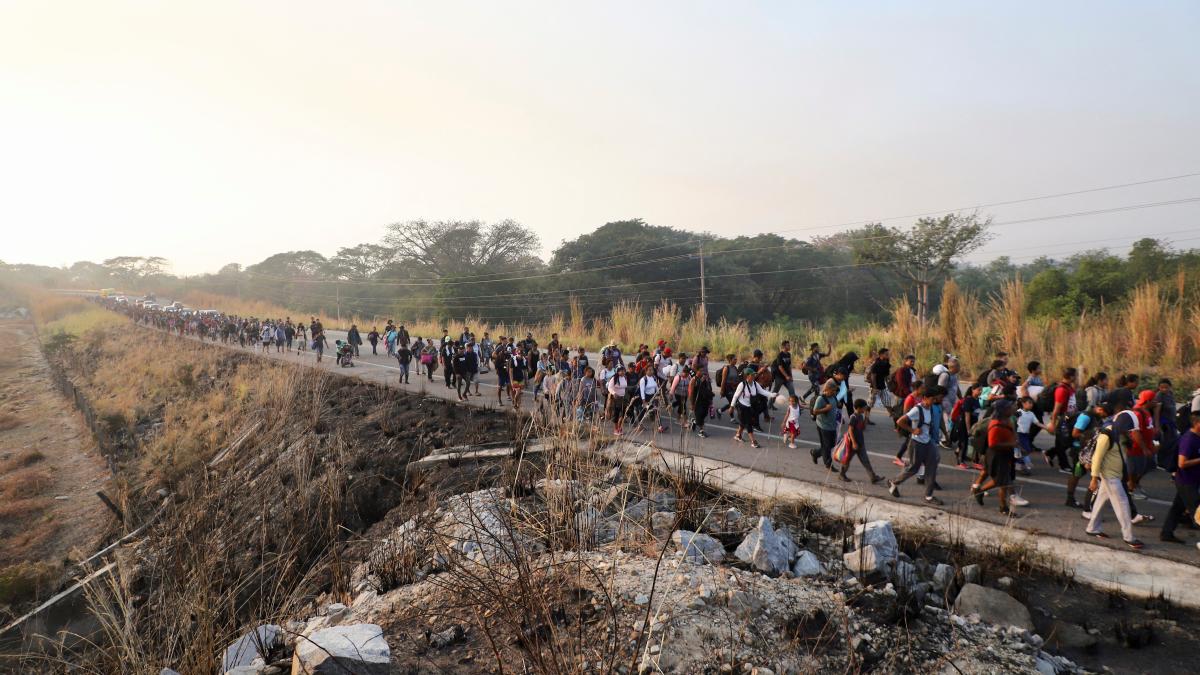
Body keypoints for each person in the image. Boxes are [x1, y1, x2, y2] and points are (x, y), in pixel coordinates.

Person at [1086, 405, 1144, 550]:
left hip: (1116, 475)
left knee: (1101, 500)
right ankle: (1129, 537)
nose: (1131, 432)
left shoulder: (1120, 434)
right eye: (1129, 429)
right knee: (1122, 504)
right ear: (1123, 424)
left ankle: (1092, 528)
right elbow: (1097, 457)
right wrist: (1094, 478)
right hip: (1109, 476)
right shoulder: (1106, 435)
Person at [887, 386, 944, 505]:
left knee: (932, 467)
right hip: (916, 443)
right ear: (925, 398)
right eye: (932, 399)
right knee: (913, 468)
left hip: (928, 442)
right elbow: (900, 421)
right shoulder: (917, 410)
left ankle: (928, 496)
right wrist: (912, 430)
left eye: (935, 399)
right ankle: (893, 482)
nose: (934, 401)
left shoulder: (931, 408)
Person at [971, 399, 1018, 516]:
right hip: (997, 455)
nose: (1013, 408)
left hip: (1005, 454)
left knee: (1003, 482)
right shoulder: (996, 424)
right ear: (1004, 410)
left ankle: (1001, 506)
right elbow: (992, 444)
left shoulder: (1007, 420)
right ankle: (1001, 507)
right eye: (1010, 407)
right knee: (1002, 482)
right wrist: (1011, 444)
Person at [1160, 411, 1200, 545]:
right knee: (1197, 511)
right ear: (1196, 423)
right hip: (1186, 481)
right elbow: (1182, 463)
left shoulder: (1197, 437)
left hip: (1192, 480)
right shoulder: (1189, 439)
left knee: (1177, 508)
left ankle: (1166, 533)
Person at [841, 399, 883, 484]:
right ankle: (842, 474)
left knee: (865, 461)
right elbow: (850, 430)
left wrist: (866, 418)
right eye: (864, 408)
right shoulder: (854, 417)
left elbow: (863, 428)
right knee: (847, 460)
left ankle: (873, 477)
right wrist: (854, 443)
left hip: (860, 443)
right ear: (859, 408)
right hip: (853, 444)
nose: (865, 409)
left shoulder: (860, 416)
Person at [731, 369, 770, 448]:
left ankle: (738, 435)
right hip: (741, 407)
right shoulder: (742, 384)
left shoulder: (755, 384)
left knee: (743, 422)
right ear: (747, 376)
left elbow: (763, 392)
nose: (754, 376)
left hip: (750, 406)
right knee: (748, 424)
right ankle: (753, 441)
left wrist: (773, 394)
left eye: (754, 374)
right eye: (752, 375)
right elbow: (735, 396)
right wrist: (731, 406)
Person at [1015, 396, 1047, 475]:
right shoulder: (1018, 412)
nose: (1031, 405)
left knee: (1026, 450)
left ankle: (1019, 465)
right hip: (1018, 434)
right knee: (1023, 450)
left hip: (1026, 435)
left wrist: (1047, 428)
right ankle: (1021, 467)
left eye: (1032, 403)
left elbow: (1038, 423)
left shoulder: (1031, 414)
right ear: (1023, 404)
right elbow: (1013, 422)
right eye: (1029, 403)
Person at [810, 380, 839, 467]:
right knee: (826, 446)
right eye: (833, 390)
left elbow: (834, 407)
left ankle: (815, 453)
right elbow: (814, 412)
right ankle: (828, 464)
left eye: (835, 391)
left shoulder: (833, 397)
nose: (834, 392)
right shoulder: (821, 399)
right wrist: (825, 409)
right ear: (827, 389)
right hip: (823, 426)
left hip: (832, 425)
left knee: (832, 444)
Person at [865, 348, 891, 426]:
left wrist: (888, 384)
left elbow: (886, 376)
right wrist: (875, 388)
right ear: (881, 355)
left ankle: (895, 418)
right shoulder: (876, 364)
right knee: (870, 404)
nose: (888, 355)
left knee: (887, 402)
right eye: (886, 354)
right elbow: (873, 376)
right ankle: (866, 419)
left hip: (882, 386)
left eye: (888, 354)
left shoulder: (886, 363)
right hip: (874, 387)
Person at [689, 368, 714, 438]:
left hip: (705, 401)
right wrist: (692, 404)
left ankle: (694, 421)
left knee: (704, 414)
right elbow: (691, 393)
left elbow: (709, 390)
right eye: (701, 371)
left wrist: (710, 400)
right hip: (697, 402)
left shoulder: (706, 380)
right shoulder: (694, 380)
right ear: (697, 371)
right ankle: (701, 431)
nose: (702, 372)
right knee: (700, 415)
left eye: (703, 371)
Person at [607, 365, 629, 436]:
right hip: (616, 398)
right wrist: (614, 393)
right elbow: (609, 388)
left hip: (624, 398)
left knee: (623, 414)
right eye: (621, 371)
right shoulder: (614, 378)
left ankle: (620, 427)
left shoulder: (625, 377)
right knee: (616, 414)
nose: (623, 372)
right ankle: (616, 429)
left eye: (623, 371)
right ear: (617, 371)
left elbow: (625, 387)